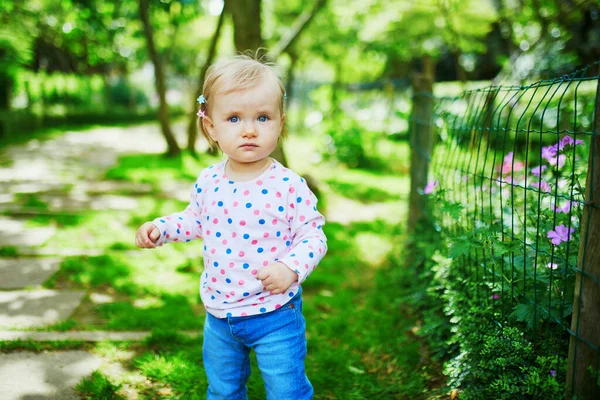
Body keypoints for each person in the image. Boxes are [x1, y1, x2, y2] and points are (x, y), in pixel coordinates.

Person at [135, 53, 327, 400]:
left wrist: (291, 267)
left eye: (263, 117)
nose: (249, 129)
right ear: (211, 127)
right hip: (220, 315)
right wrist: (161, 228)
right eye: (234, 118)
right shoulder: (209, 180)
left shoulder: (288, 185)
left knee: (287, 391)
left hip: (274, 315)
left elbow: (313, 236)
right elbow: (194, 220)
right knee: (223, 390)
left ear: (280, 123)